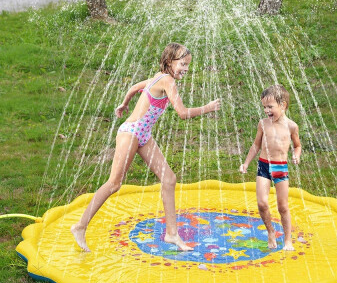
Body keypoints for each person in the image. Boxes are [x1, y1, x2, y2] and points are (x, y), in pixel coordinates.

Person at [71, 43, 220, 252]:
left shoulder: (157, 77)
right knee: (114, 183)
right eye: (183, 64)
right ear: (169, 62)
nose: (186, 69)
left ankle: (171, 234)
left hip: (143, 135)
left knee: (169, 179)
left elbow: (134, 88)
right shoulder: (167, 81)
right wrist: (208, 108)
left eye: (188, 65)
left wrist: (124, 104)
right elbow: (182, 113)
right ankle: (80, 226)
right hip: (131, 132)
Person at [239, 85, 301, 251]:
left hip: (280, 166)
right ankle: (271, 232)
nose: (266, 110)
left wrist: (297, 155)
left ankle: (288, 240)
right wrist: (246, 163)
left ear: (283, 105)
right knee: (262, 203)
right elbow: (255, 145)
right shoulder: (263, 124)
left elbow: (297, 146)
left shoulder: (291, 126)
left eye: (270, 107)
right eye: (264, 107)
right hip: (264, 165)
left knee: (283, 206)